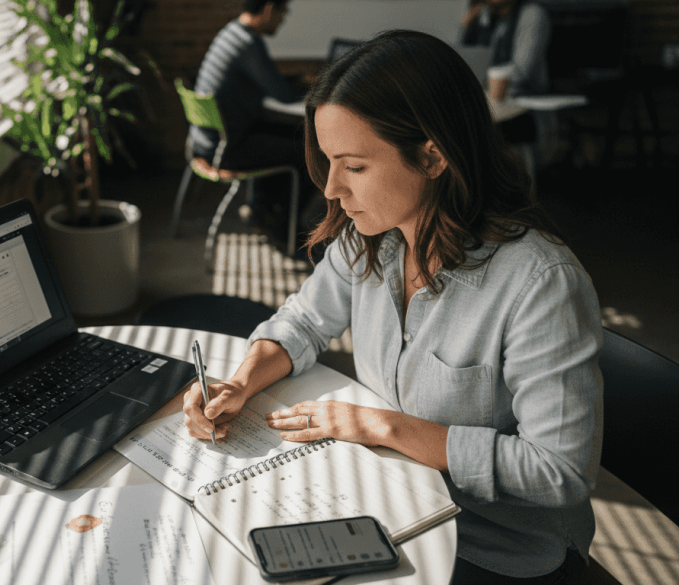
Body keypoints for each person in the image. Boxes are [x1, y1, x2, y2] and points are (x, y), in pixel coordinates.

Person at [182, 30, 603, 584]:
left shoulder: (540, 285)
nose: (330, 189)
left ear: (431, 156)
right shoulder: (371, 240)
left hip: (500, 548)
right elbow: (304, 321)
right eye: (329, 162)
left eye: (353, 167)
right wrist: (242, 382)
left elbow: (560, 471)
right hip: (395, 509)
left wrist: (384, 426)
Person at [188, 0, 319, 252]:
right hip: (227, 149)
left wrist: (297, 81)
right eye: (283, 12)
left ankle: (262, 210)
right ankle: (284, 229)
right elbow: (282, 94)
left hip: (208, 141)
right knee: (309, 150)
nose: (283, 19)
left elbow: (266, 83)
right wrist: (314, 84)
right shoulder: (248, 43)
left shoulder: (230, 33)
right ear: (269, 9)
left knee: (298, 134)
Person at [461, 0, 553, 159]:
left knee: (474, 130)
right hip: (488, 104)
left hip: (524, 106)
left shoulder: (531, 14)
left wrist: (484, 79)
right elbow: (461, 63)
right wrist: (466, 28)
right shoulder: (485, 18)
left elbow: (521, 71)